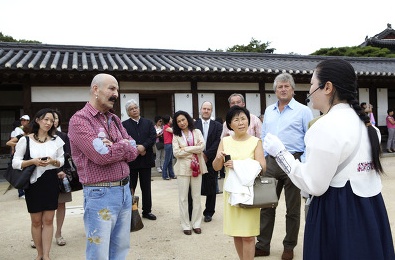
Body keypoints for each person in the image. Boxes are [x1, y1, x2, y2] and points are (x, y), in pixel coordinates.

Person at [263, 59, 395, 260]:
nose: (309, 89)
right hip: (371, 211)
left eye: (312, 83)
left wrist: (280, 152)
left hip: (337, 211)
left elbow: (314, 184)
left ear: (327, 87)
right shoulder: (371, 129)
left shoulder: (325, 127)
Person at [68, 73, 138, 259]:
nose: (116, 93)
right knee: (98, 251)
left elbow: (134, 151)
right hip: (100, 194)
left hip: (124, 190)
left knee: (121, 248)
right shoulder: (80, 120)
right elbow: (101, 156)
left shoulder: (114, 119)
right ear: (96, 89)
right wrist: (123, 144)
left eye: (117, 89)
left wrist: (117, 145)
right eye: (111, 88)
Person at [256, 72, 313, 260]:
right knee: (266, 205)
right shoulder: (269, 111)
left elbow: (309, 137)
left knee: (293, 208)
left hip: (293, 160)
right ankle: (263, 244)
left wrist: (302, 161)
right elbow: (264, 136)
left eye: (286, 86)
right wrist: (264, 159)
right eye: (279, 86)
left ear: (293, 89)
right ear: (275, 90)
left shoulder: (303, 110)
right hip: (272, 162)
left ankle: (289, 246)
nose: (282, 89)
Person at [213, 105, 266, 260]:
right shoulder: (225, 141)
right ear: (230, 124)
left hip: (249, 192)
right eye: (236, 119)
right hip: (232, 192)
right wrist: (218, 158)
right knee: (236, 233)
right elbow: (216, 167)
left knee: (249, 236)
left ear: (248, 121)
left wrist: (238, 165)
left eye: (243, 118)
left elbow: (263, 167)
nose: (241, 122)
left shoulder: (256, 141)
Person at [13, 108, 65, 260]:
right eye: (46, 119)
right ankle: (39, 254)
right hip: (33, 182)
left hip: (50, 180)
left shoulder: (57, 140)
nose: (49, 123)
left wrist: (53, 161)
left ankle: (47, 255)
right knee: (36, 221)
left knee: (48, 220)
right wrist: (32, 162)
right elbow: (16, 162)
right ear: (37, 120)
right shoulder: (25, 140)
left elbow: (61, 160)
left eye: (51, 120)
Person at [172, 110, 207, 235]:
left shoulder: (197, 132)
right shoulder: (176, 135)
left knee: (196, 196)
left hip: (197, 166)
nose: (182, 123)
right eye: (179, 121)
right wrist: (194, 150)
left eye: (183, 119)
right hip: (182, 168)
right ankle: (185, 225)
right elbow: (176, 153)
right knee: (183, 198)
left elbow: (202, 147)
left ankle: (196, 223)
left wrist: (185, 149)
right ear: (176, 124)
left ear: (188, 119)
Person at [122, 99, 157, 221]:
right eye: (131, 109)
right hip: (131, 161)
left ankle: (147, 211)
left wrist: (144, 146)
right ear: (128, 112)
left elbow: (153, 137)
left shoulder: (148, 123)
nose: (134, 110)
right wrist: (137, 148)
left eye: (135, 107)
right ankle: (131, 210)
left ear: (139, 109)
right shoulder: (124, 125)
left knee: (146, 187)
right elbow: (123, 140)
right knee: (130, 186)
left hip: (145, 159)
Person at [189, 101, 222, 223]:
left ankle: (209, 212)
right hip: (195, 159)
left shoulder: (217, 125)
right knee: (193, 186)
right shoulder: (193, 124)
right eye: (204, 109)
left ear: (211, 111)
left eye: (209, 109)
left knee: (211, 187)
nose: (206, 111)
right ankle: (192, 211)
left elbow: (218, 142)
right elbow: (191, 140)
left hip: (211, 159)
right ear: (200, 110)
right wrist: (199, 153)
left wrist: (207, 154)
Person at [52, 110, 72, 246]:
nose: (53, 121)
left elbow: (69, 154)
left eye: (55, 118)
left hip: (61, 175)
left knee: (61, 205)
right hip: (43, 175)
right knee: (42, 207)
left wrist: (62, 170)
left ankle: (58, 233)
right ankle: (38, 233)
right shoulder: (36, 137)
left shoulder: (63, 136)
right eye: (49, 118)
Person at [162, 114, 176, 180]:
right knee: (167, 160)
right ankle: (165, 175)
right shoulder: (166, 127)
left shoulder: (167, 127)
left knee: (170, 161)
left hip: (169, 144)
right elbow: (174, 131)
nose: (172, 120)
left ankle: (171, 175)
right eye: (170, 119)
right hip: (168, 144)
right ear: (168, 120)